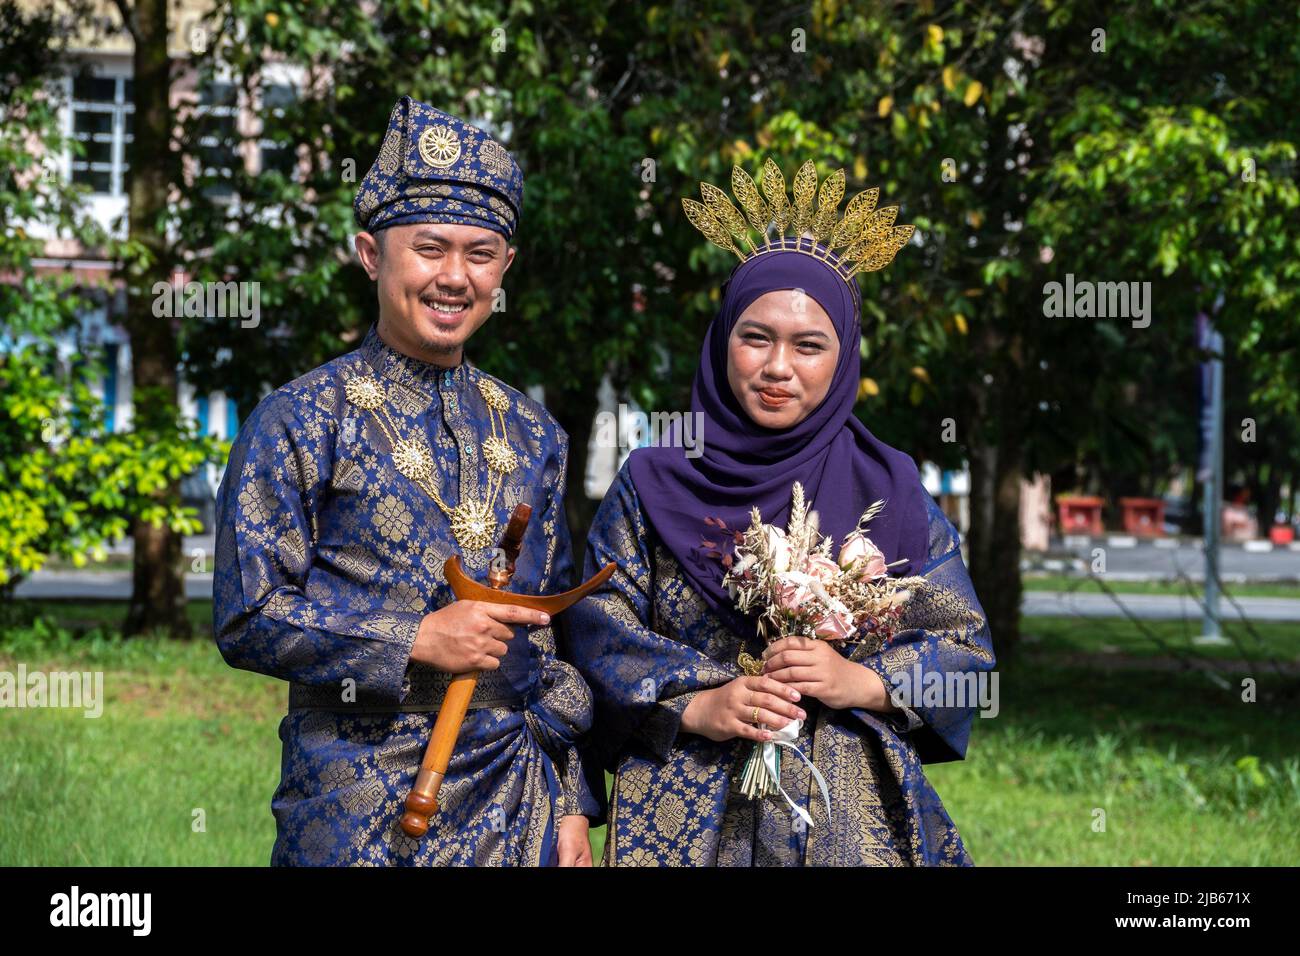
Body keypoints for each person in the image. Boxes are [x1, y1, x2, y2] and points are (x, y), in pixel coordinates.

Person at [564, 159, 995, 866]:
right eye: (756, 337)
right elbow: (592, 634)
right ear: (721, 339)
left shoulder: (890, 486)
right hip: (684, 804)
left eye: (808, 345)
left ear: (844, 357)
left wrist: (865, 681)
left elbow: (966, 650)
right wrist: (697, 704)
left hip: (847, 813)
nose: (777, 367)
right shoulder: (652, 480)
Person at [213, 96, 601, 866]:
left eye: (480, 254)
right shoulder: (298, 420)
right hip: (356, 801)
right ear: (370, 254)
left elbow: (551, 642)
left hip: (513, 799)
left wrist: (571, 804)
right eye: (430, 248)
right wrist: (418, 637)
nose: (454, 277)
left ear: (506, 269)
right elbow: (248, 614)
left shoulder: (533, 434)